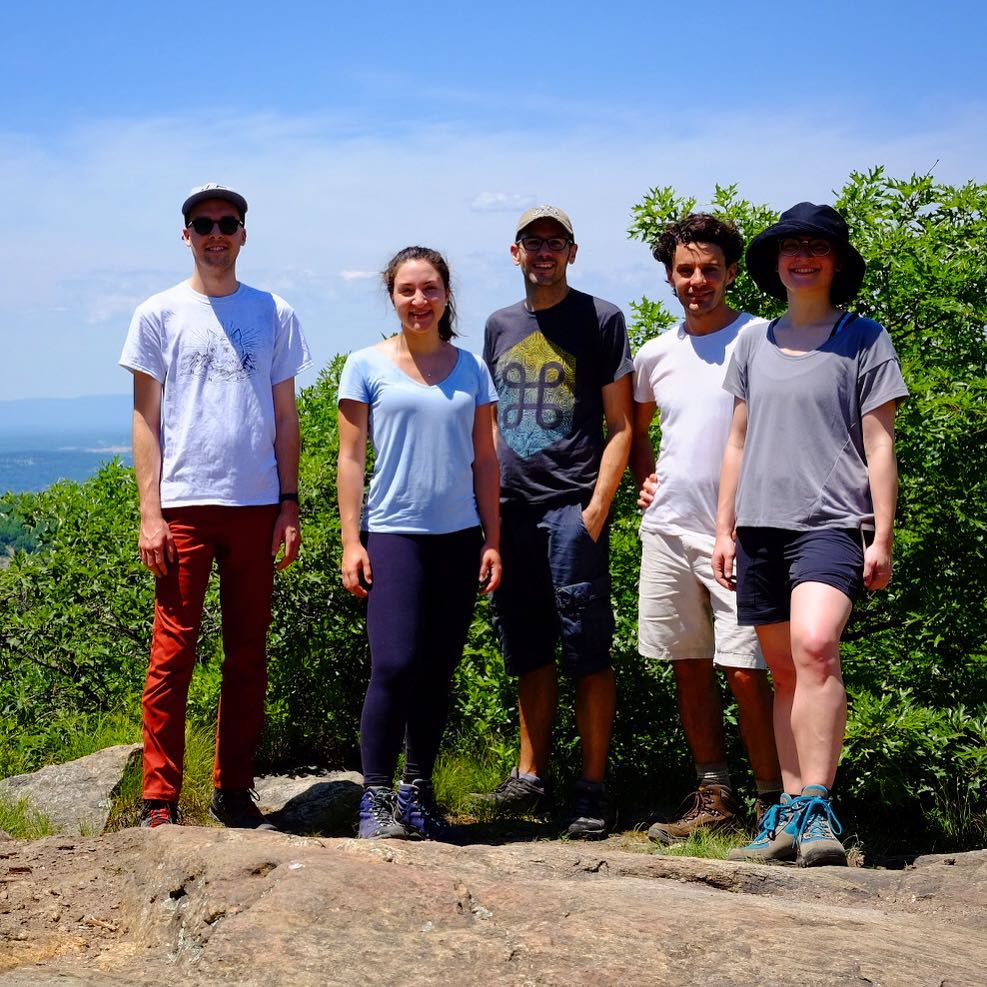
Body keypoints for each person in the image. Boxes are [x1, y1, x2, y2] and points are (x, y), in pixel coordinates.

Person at [712, 202, 908, 866]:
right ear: (774, 262)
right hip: (758, 528)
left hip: (831, 523)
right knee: (784, 674)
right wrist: (723, 528)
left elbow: (879, 444)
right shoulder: (751, 341)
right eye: (791, 246)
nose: (802, 257)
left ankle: (819, 804)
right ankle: (790, 816)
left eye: (816, 247)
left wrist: (881, 536)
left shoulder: (864, 338)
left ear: (836, 262)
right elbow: (736, 441)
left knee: (816, 646)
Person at [120, 183, 311, 830]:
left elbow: (286, 417)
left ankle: (233, 790)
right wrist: (150, 514)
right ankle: (159, 800)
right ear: (186, 235)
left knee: (247, 654)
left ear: (243, 234)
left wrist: (289, 503)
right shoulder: (157, 313)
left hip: (256, 503)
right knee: (171, 654)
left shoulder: (274, 311)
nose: (216, 234)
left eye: (227, 223)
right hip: (183, 506)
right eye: (203, 224)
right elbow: (145, 420)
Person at [478, 205, 633, 838]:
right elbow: (490, 420)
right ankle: (531, 776)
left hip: (573, 505)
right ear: (515, 252)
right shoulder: (499, 324)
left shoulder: (601, 318)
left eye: (556, 242)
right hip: (512, 508)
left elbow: (622, 424)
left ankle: (591, 790)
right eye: (533, 242)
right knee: (527, 647)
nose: (544, 252)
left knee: (587, 648)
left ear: (573, 251)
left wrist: (597, 508)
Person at [337, 246, 501, 842]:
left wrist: (493, 540)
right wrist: (352, 540)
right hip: (394, 533)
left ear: (446, 295)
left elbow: (487, 460)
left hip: (458, 537)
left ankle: (417, 793)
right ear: (392, 296)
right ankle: (375, 797)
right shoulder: (365, 365)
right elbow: (351, 458)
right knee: (394, 664)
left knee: (436, 671)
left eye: (430, 288)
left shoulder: (472, 368)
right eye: (407, 290)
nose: (419, 300)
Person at [631, 214, 783, 844]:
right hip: (669, 530)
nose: (698, 281)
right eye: (686, 270)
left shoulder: (762, 338)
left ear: (732, 272)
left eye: (710, 269)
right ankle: (715, 796)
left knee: (746, 671)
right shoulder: (654, 354)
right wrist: (644, 477)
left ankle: (776, 801)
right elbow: (635, 428)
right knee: (688, 664)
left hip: (743, 535)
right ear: (670, 277)